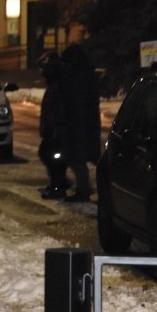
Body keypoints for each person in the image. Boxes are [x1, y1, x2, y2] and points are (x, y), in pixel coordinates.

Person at [56, 22, 101, 203]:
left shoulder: (77, 77)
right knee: (78, 158)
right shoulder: (86, 75)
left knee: (77, 158)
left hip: (78, 125)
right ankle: (84, 188)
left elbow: (74, 102)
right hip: (83, 124)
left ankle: (84, 190)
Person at [36, 51, 69, 199]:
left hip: (56, 130)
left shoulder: (58, 84)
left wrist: (56, 128)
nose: (42, 72)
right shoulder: (54, 83)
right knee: (47, 154)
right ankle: (57, 184)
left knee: (55, 158)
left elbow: (59, 109)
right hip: (52, 129)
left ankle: (58, 187)